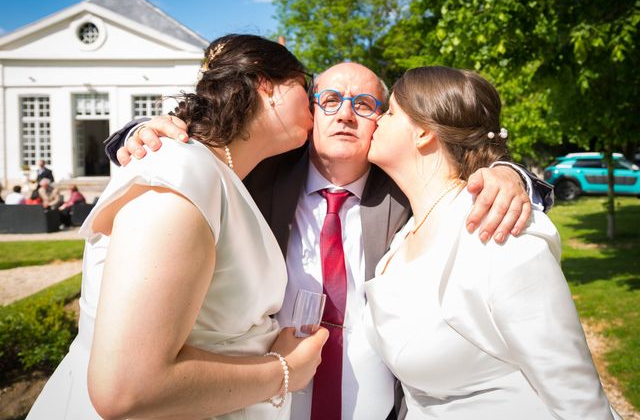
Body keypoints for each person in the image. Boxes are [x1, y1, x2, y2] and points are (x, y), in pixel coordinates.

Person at [108, 61, 552, 419]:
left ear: (383, 120)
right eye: (331, 100)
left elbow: (461, 163)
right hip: (261, 404)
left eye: (364, 104)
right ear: (312, 112)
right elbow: (198, 149)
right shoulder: (261, 178)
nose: (344, 114)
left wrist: (510, 175)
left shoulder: (404, 191)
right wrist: (138, 135)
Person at [27, 34, 329, 420]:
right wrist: (285, 373)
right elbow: (127, 390)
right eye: (306, 86)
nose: (317, 105)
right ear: (264, 83)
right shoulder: (183, 170)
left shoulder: (219, 171)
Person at [365, 66, 620, 419]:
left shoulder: (497, 232)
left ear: (423, 132)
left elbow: (578, 398)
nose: (377, 119)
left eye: (391, 111)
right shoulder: (404, 234)